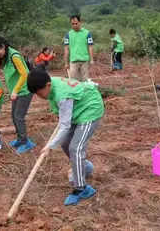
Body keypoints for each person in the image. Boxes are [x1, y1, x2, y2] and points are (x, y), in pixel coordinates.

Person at [27, 70, 104, 206]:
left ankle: (82, 189)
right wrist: (55, 143)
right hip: (77, 109)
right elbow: (65, 121)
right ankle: (85, 167)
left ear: (48, 84)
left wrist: (50, 146)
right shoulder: (52, 86)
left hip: (90, 109)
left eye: (39, 93)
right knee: (65, 143)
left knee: (76, 148)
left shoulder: (62, 95)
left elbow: (65, 125)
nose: (39, 97)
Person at [64, 15, 94, 82]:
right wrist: (66, 63)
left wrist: (91, 59)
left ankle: (85, 92)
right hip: (73, 61)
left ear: (80, 22)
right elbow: (66, 49)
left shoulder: (87, 33)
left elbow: (90, 46)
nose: (74, 25)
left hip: (84, 60)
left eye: (76, 23)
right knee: (75, 81)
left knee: (85, 81)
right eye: (72, 24)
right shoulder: (68, 34)